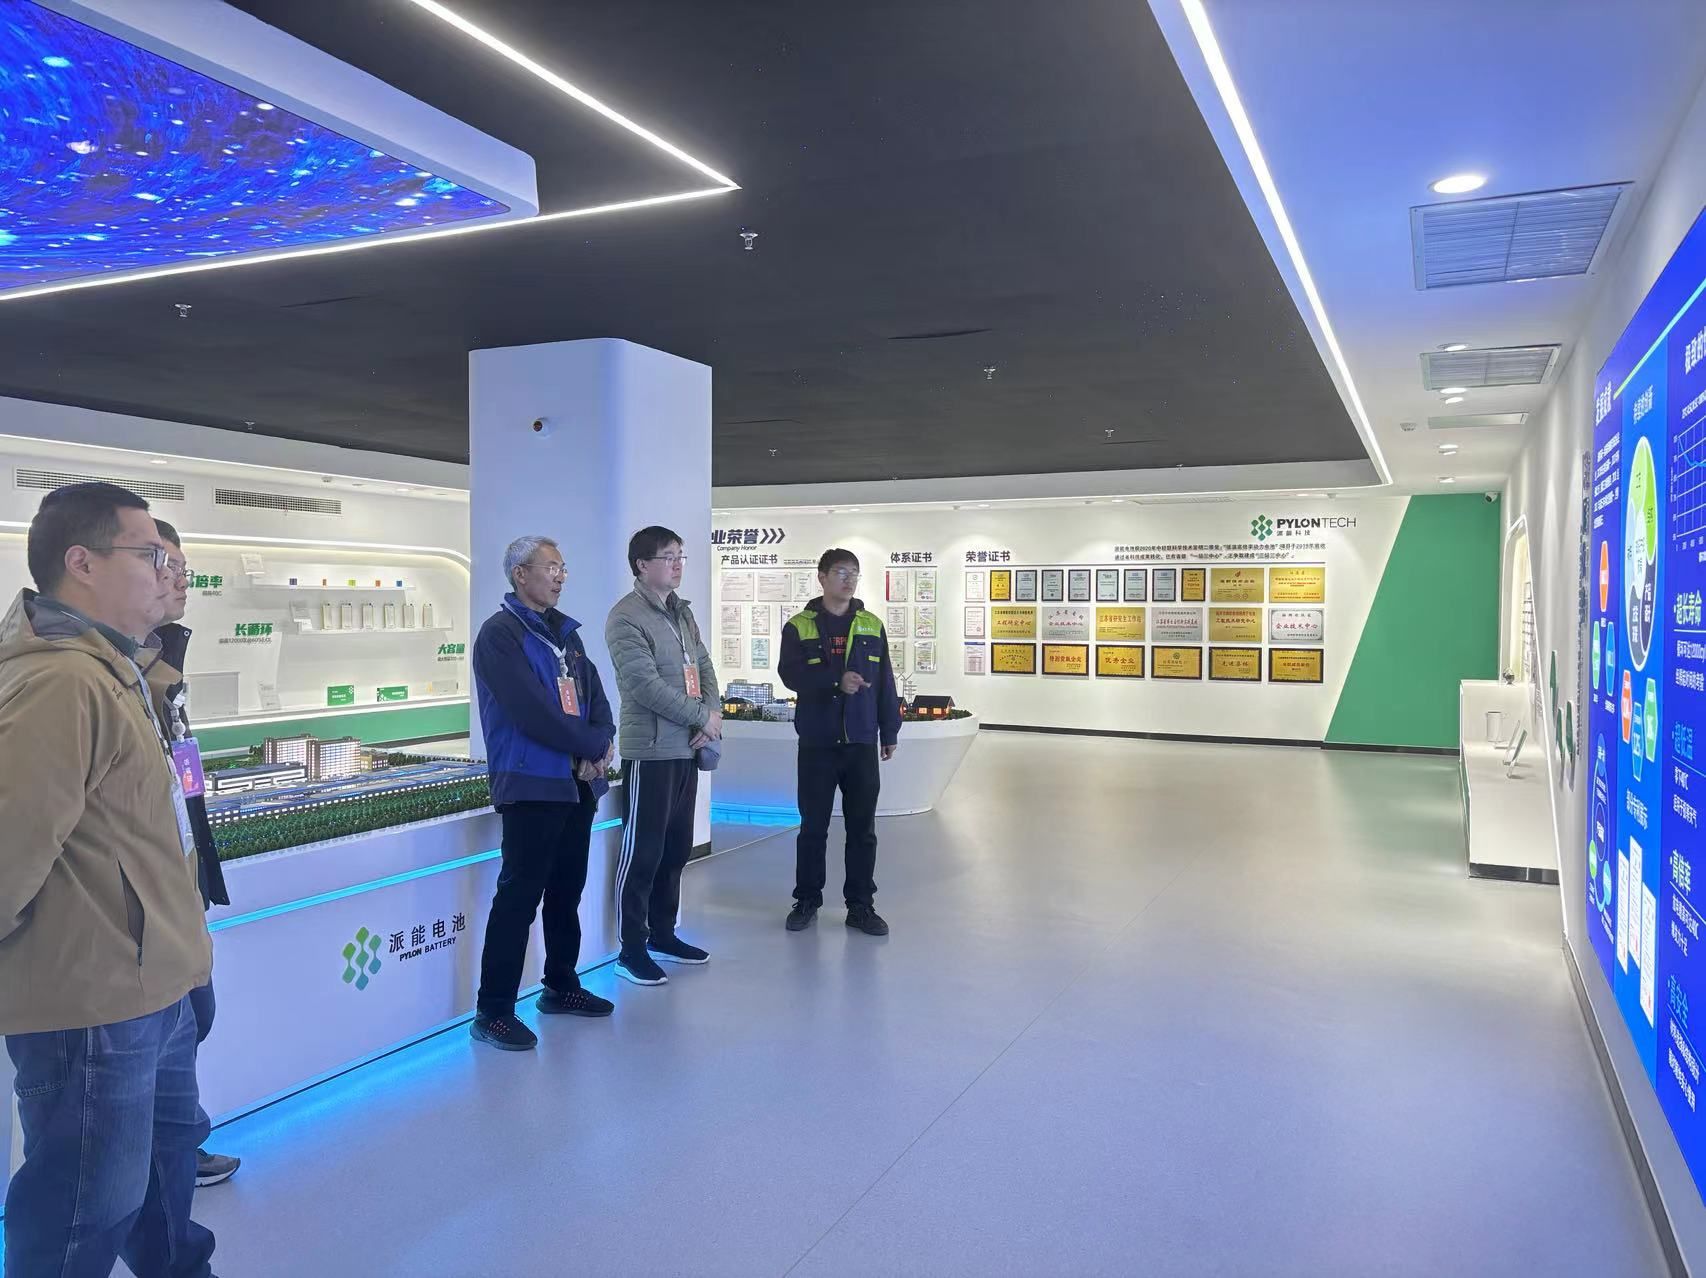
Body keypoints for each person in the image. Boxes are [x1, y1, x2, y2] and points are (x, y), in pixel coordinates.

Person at [0, 482, 216, 1277]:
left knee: (162, 1177)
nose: (168, 571)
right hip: (93, 1000)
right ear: (81, 563)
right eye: (151, 554)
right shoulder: (63, 683)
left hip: (151, 982)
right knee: (83, 1209)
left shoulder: (117, 670)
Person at [470, 536, 618, 1051]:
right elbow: (530, 711)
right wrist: (589, 745)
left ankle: (560, 985)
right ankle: (493, 1010)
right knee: (519, 897)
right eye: (550, 567)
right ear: (520, 574)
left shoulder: (565, 635)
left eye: (563, 567)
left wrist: (601, 742)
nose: (559, 576)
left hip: (577, 784)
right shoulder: (500, 635)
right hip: (532, 782)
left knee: (566, 890)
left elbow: (596, 696)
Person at [150, 520, 242, 1190]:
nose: (183, 581)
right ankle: (168, 1155)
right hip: (143, 900)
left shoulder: (161, 666)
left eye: (185, 568)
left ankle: (176, 1149)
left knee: (192, 1019)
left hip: (180, 881)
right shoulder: (87, 676)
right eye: (168, 566)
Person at [604, 525, 721, 986]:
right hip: (651, 751)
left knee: (676, 849)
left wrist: (710, 713)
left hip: (687, 748)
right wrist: (700, 716)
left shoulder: (681, 613)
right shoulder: (626, 617)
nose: (677, 564)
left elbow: (703, 665)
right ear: (641, 565)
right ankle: (630, 948)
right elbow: (644, 686)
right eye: (668, 556)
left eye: (680, 556)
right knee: (643, 852)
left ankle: (663, 934)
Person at [777, 548, 901, 936]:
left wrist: (889, 730)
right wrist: (834, 681)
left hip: (861, 741)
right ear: (822, 577)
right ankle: (806, 900)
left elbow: (885, 682)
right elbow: (790, 675)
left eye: (854, 574)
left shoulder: (870, 625)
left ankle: (861, 906)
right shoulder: (799, 626)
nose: (849, 580)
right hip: (817, 742)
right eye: (841, 572)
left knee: (862, 829)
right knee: (813, 828)